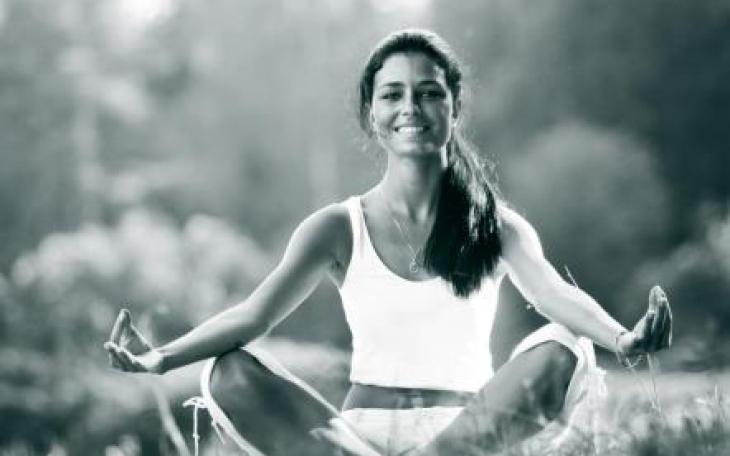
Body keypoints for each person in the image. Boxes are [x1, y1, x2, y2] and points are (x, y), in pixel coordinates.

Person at [104, 29, 672, 456]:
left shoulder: (497, 227)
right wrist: (162, 357)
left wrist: (623, 339)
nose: (410, 109)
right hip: (354, 443)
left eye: (428, 93)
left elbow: (553, 295)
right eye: (392, 94)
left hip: (465, 438)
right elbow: (253, 317)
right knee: (229, 371)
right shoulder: (335, 227)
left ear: (454, 106)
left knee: (566, 345)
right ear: (371, 113)